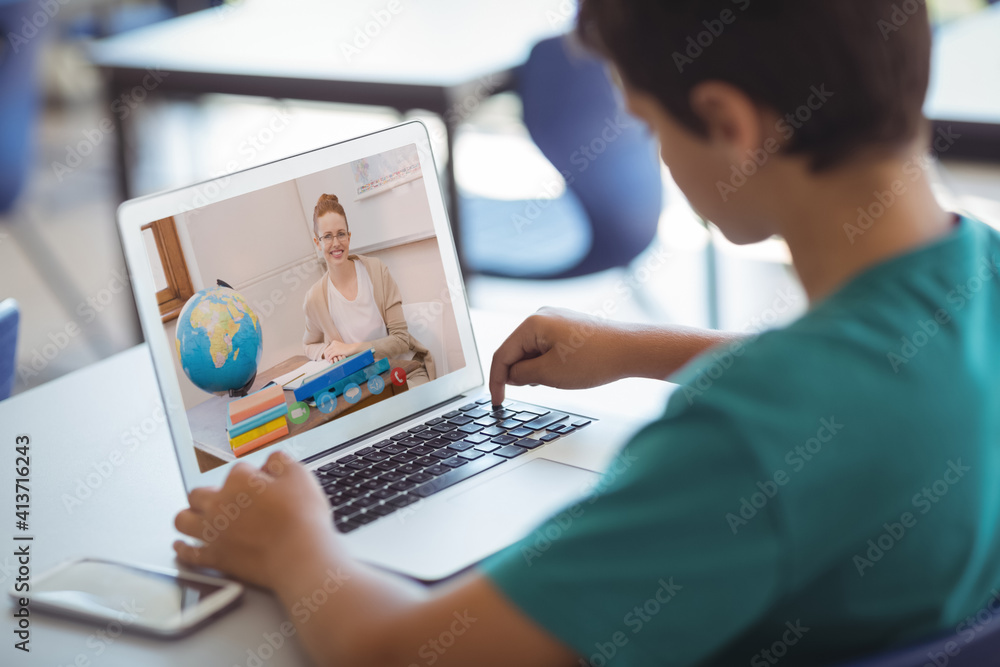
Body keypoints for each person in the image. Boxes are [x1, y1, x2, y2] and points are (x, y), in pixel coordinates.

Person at [172, 1, 1000, 665]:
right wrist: (640, 349)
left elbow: (406, 650)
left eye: (647, 126)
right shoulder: (977, 274)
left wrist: (294, 547)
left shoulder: (741, 447)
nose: (659, 153)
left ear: (729, 123)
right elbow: (876, 379)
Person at [302, 193, 434, 386]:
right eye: (327, 236)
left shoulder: (376, 271)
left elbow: (401, 340)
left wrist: (353, 349)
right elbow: (308, 345)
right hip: (365, 383)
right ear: (317, 242)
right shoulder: (315, 298)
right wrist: (327, 351)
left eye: (341, 234)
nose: (336, 243)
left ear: (349, 235)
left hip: (404, 372)